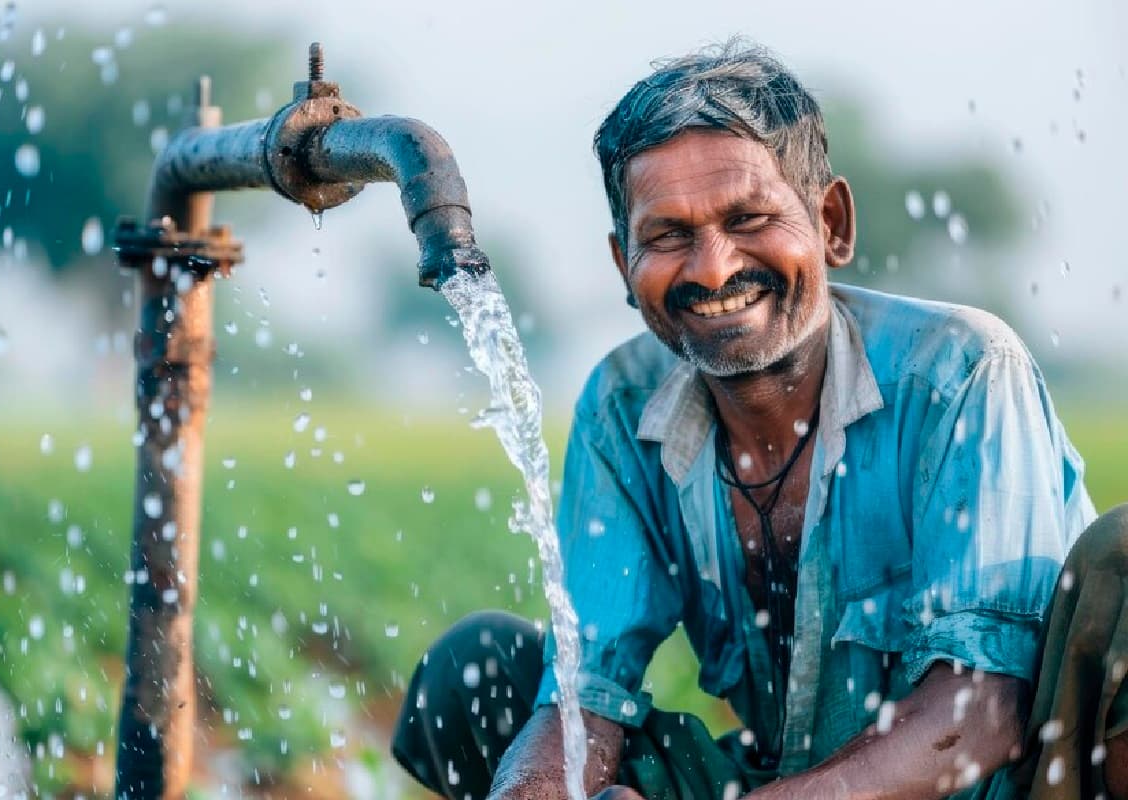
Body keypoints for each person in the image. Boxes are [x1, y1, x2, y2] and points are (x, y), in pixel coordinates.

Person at [391, 38, 1128, 799]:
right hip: (790, 783)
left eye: (750, 219)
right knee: (478, 673)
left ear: (832, 223)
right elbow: (585, 696)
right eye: (669, 235)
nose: (712, 269)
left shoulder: (959, 372)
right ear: (624, 265)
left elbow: (984, 715)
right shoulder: (621, 407)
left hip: (1002, 789)